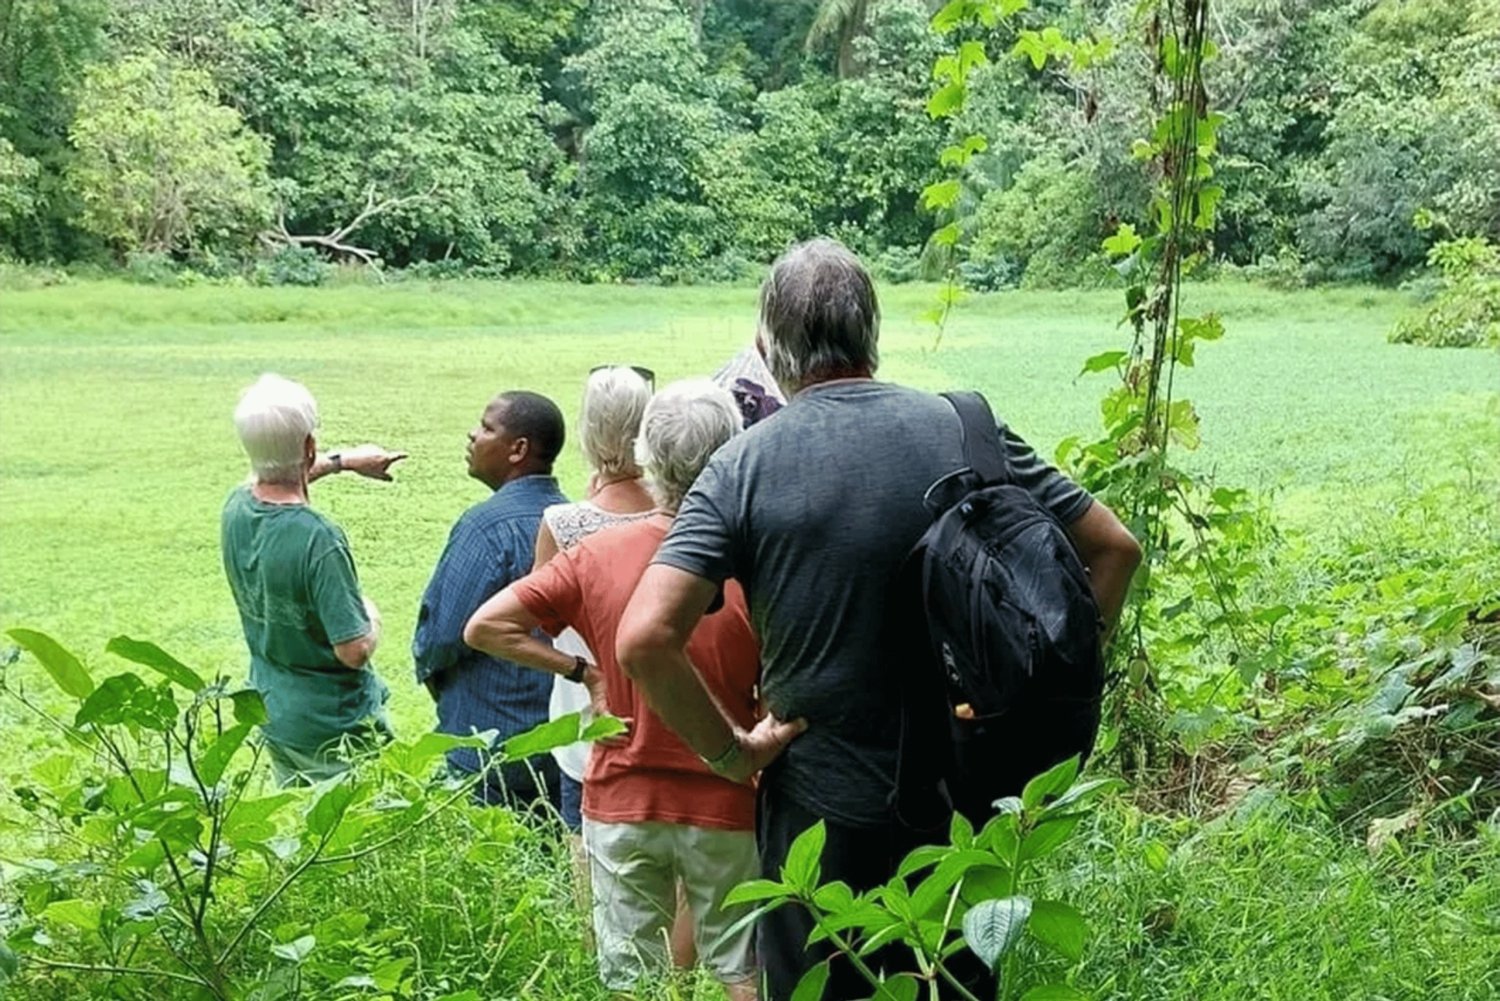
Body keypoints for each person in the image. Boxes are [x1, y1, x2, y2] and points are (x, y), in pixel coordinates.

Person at [616, 238, 1143, 1001]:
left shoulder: (743, 464)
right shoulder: (966, 429)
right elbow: (1115, 550)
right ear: (872, 332)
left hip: (819, 821)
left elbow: (644, 638)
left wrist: (732, 755)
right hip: (964, 808)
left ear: (769, 349)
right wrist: (1046, 685)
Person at [464, 380, 762, 1001]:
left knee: (630, 979)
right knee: (742, 970)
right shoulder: (753, 561)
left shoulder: (595, 554)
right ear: (730, 453)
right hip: (728, 796)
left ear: (647, 457)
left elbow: (485, 627)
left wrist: (583, 672)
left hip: (621, 796)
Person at [221, 373, 406, 786]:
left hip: (276, 712)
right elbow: (353, 650)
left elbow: (272, 478)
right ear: (308, 446)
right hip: (335, 728)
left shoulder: (236, 507)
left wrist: (344, 462)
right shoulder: (318, 539)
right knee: (359, 834)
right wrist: (370, 616)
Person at [413, 390, 569, 809]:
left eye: (486, 428)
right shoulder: (574, 519)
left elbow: (439, 638)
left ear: (518, 449)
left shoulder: (484, 528)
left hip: (488, 748)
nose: (472, 435)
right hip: (561, 741)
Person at [536, 366, 656, 833]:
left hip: (587, 719)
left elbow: (543, 620)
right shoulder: (685, 512)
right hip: (670, 719)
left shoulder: (562, 524)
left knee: (590, 874)